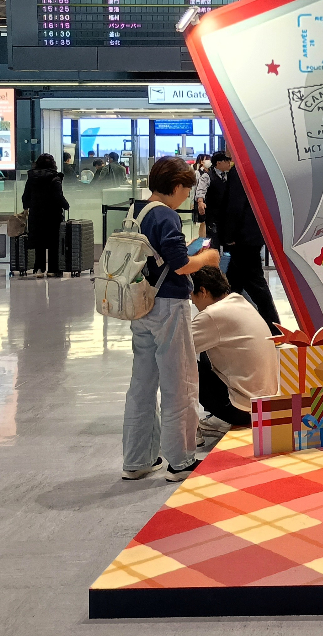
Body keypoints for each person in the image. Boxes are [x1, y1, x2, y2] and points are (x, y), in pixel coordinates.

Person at [121, 156, 220, 483]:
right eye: (186, 190)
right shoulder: (165, 216)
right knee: (179, 382)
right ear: (176, 186)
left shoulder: (137, 210)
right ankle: (180, 461)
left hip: (140, 303)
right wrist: (206, 257)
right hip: (168, 306)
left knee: (142, 383)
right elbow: (180, 265)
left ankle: (137, 460)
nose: (186, 197)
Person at [188, 266, 280, 441]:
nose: (193, 303)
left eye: (193, 297)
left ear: (203, 291)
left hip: (242, 409)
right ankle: (217, 418)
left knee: (180, 364)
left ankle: (188, 429)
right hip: (264, 405)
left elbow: (177, 348)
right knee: (208, 352)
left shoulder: (211, 316)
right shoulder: (241, 301)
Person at [204, 152, 283, 333]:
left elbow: (235, 206)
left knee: (254, 282)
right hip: (252, 234)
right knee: (234, 283)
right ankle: (227, 322)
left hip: (242, 237)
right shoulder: (257, 170)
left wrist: (229, 235)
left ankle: (274, 327)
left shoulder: (240, 172)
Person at [21, 153, 68, 277]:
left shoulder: (32, 177)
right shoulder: (55, 178)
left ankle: (39, 269)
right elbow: (58, 196)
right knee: (53, 242)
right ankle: (53, 269)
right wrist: (66, 205)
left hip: (36, 214)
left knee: (39, 242)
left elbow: (26, 195)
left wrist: (26, 207)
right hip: (52, 214)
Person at [192, 154, 211, 240]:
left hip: (207, 200)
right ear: (201, 161)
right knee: (203, 222)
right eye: (206, 159)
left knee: (205, 222)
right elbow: (194, 188)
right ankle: (202, 240)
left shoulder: (209, 172)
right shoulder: (197, 173)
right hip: (199, 200)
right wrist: (193, 201)